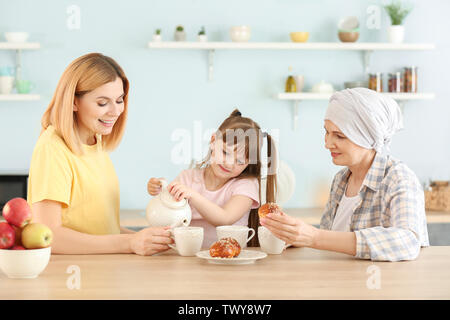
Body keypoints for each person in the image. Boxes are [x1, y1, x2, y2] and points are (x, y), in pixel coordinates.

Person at [27, 53, 173, 255]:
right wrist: (129, 243)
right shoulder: (53, 148)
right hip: (72, 277)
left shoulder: (95, 142)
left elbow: (102, 230)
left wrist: (151, 239)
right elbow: (49, 235)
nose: (115, 111)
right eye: (103, 103)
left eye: (119, 100)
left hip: (101, 273)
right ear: (73, 102)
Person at [261, 88, 429, 262]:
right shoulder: (341, 179)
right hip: (339, 283)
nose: (327, 143)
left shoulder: (399, 178)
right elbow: (330, 242)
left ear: (368, 137)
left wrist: (314, 237)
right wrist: (298, 235)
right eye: (326, 132)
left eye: (339, 136)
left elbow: (408, 241)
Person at [148, 109, 277, 247]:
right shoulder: (188, 178)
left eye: (240, 162)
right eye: (225, 152)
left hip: (230, 262)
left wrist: (192, 195)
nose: (228, 163)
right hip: (188, 260)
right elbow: (167, 210)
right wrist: (161, 188)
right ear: (213, 140)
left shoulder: (246, 185)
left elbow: (224, 218)